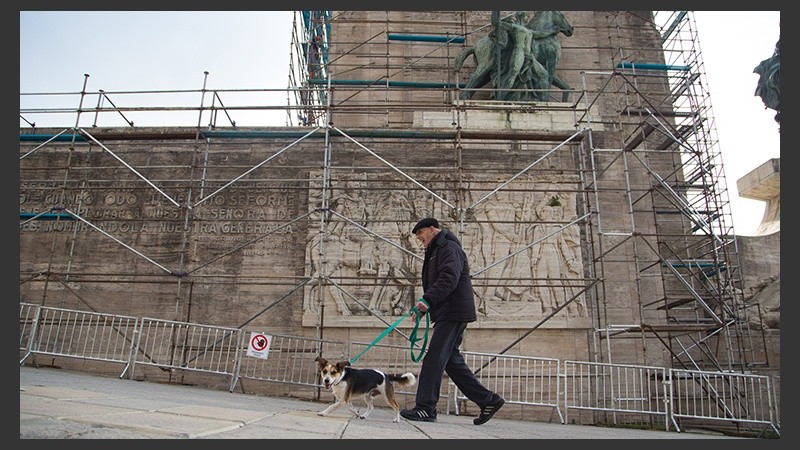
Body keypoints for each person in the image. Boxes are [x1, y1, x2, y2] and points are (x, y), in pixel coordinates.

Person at [400, 217, 505, 424]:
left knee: (434, 358)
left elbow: (449, 278)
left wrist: (427, 300)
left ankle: (425, 408)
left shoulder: (448, 247)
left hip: (454, 311)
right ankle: (488, 400)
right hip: (448, 311)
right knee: (450, 361)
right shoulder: (437, 250)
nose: (419, 238)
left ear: (432, 229)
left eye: (420, 233)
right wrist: (424, 308)